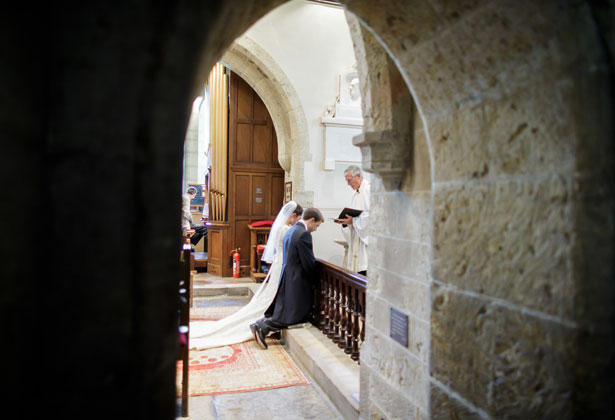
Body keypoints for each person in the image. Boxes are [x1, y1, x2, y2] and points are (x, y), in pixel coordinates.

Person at [189, 201, 303, 349]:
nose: (298, 222)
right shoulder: (285, 229)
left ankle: (273, 314)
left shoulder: (283, 227)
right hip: (282, 262)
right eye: (298, 218)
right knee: (274, 292)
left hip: (279, 262)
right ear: (293, 215)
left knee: (273, 291)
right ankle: (266, 320)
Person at [250, 207, 324, 350]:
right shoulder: (303, 234)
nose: (315, 229)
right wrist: (316, 277)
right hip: (297, 279)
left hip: (288, 275)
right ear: (312, 220)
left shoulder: (291, 230)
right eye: (317, 225)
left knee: (289, 311)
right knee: (291, 315)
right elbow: (307, 262)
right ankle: (262, 326)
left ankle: (260, 324)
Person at [335, 165, 370, 275]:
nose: (348, 184)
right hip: (357, 240)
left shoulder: (368, 190)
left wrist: (353, 221)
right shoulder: (356, 195)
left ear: (358, 176)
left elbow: (374, 216)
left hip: (366, 245)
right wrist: (345, 223)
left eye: (349, 180)